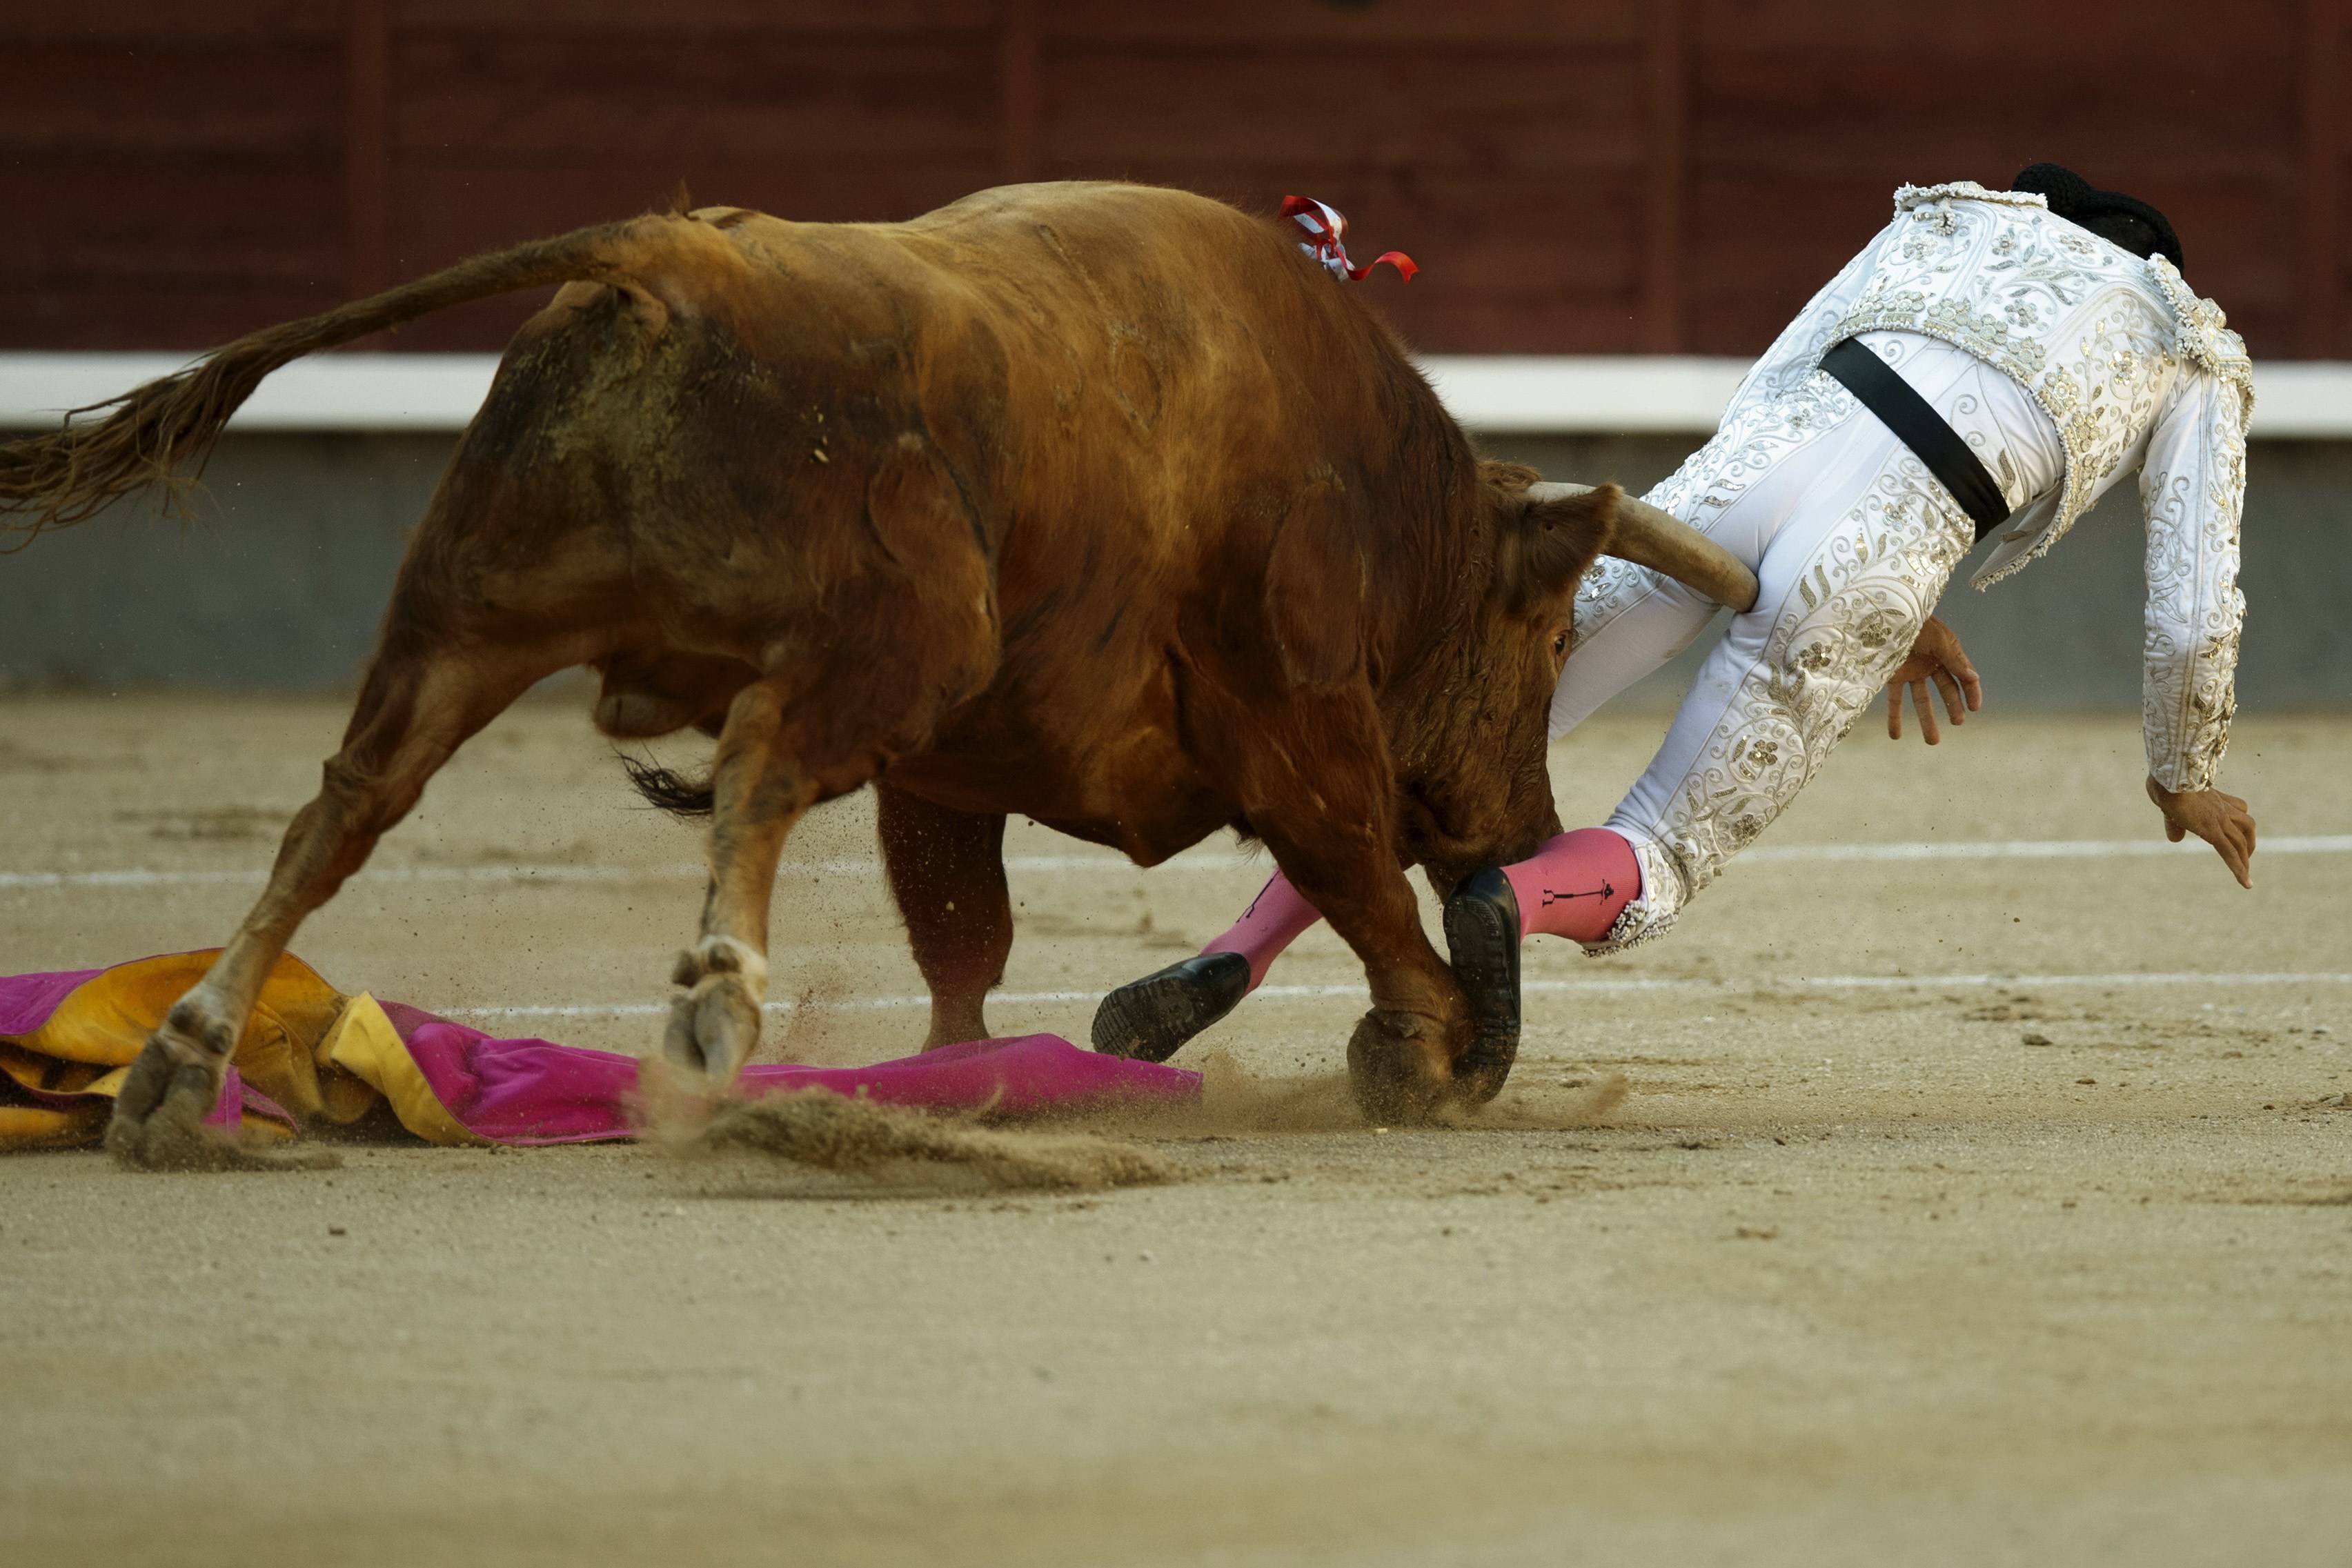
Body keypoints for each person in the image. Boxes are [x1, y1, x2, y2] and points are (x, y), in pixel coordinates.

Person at [1094, 163, 2260, 1069]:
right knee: (1667, 839)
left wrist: (1720, 507)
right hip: (1880, 555)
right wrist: (2181, 768)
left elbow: (1784, 365)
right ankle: (1514, 898)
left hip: (1724, 485)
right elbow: (2189, 606)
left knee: (1447, 736)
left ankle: (1228, 957)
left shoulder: (1943, 226)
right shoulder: (2184, 344)